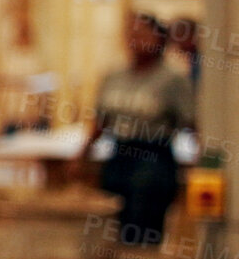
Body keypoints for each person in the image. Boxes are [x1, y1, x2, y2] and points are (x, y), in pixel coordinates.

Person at [78, 13, 198, 245]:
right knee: (113, 225)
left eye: (144, 33)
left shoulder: (172, 80)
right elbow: (101, 121)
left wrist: (205, 161)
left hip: (154, 158)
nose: (136, 39)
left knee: (143, 226)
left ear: (159, 39)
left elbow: (191, 123)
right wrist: (83, 153)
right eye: (133, 33)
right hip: (119, 156)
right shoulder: (114, 77)